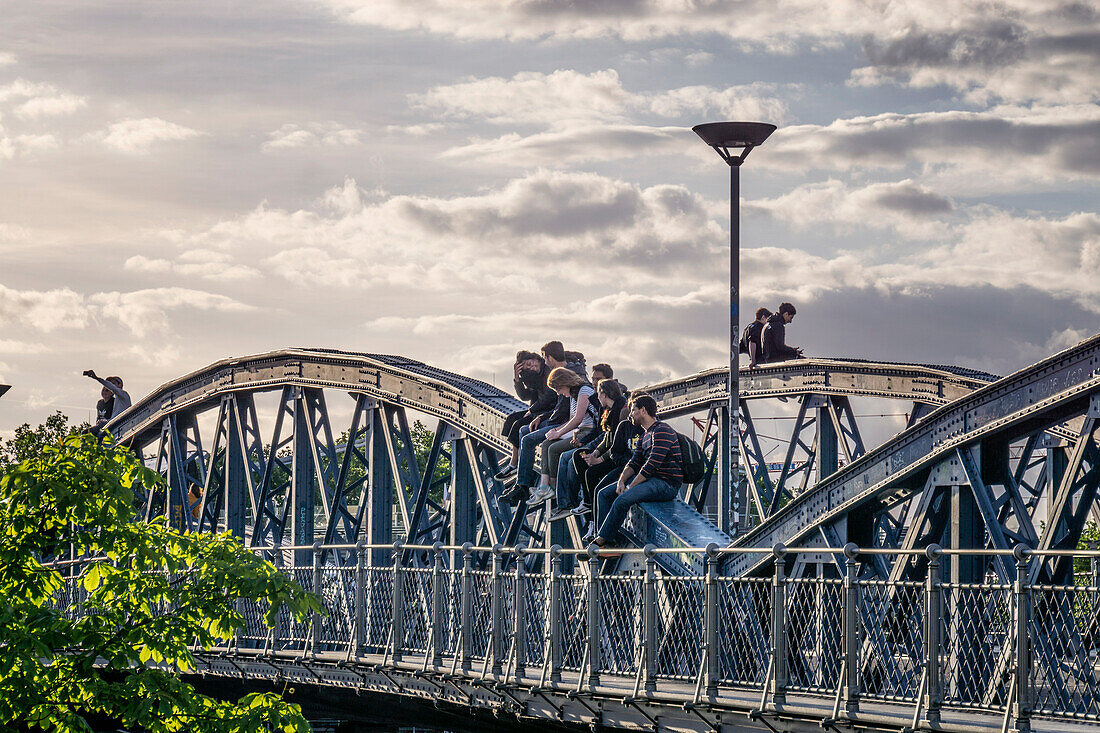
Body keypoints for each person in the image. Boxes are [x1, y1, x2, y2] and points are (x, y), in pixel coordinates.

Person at [590, 394, 682, 550]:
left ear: (643, 410)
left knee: (622, 500)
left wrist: (630, 486)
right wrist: (621, 481)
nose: (630, 414)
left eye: (633, 410)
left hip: (665, 484)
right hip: (650, 481)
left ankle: (601, 540)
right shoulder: (645, 435)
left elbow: (651, 465)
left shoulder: (662, 431)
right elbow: (634, 462)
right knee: (603, 494)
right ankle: (609, 542)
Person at [501, 341, 588, 505]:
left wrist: (551, 425)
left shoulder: (565, 375)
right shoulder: (559, 372)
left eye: (543, 358)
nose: (542, 362)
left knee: (527, 437)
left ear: (548, 358)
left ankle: (524, 485)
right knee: (523, 429)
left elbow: (565, 408)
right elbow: (532, 397)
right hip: (554, 417)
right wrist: (541, 416)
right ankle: (523, 480)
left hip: (563, 423)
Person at [548, 378, 628, 521]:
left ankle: (590, 511)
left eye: (598, 394)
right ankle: (585, 503)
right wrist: (595, 453)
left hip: (619, 458)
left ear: (604, 395)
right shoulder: (609, 410)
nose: (596, 398)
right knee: (579, 455)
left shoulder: (621, 412)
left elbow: (617, 445)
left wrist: (598, 460)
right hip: (609, 452)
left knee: (591, 473)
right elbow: (606, 439)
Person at [528, 368, 598, 505]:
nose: (558, 393)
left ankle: (553, 486)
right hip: (579, 430)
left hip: (588, 432)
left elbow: (578, 419)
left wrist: (558, 433)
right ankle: (544, 486)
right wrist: (556, 430)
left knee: (554, 449)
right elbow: (571, 420)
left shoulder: (584, 391)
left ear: (564, 383)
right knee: (547, 443)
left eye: (558, 389)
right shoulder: (573, 395)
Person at [496, 351, 556, 480]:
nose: (531, 367)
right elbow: (524, 396)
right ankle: (515, 460)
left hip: (548, 410)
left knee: (519, 425)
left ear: (536, 358)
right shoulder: (534, 375)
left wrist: (532, 409)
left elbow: (549, 396)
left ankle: (513, 463)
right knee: (511, 419)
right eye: (527, 367)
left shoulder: (547, 371)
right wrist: (517, 379)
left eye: (530, 364)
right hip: (540, 409)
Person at [84, 370, 131, 435]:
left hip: (119, 424)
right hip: (113, 423)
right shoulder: (117, 399)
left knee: (86, 433)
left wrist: (96, 378)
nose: (111, 385)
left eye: (113, 383)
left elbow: (112, 388)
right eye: (110, 383)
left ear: (120, 385)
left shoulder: (123, 394)